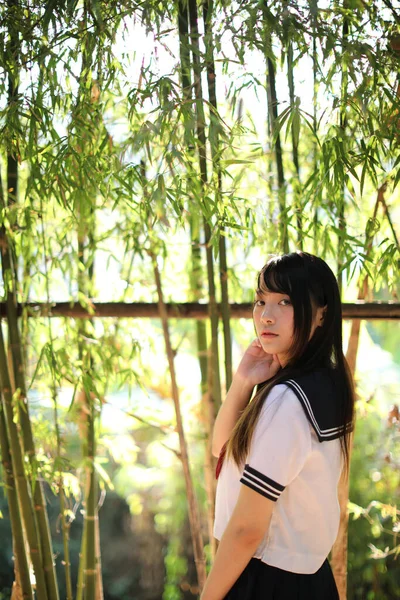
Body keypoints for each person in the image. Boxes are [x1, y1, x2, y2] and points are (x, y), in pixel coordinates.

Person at [199, 251, 355, 600]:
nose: (266, 316)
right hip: (308, 577)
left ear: (321, 314)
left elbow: (246, 531)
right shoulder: (327, 381)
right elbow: (223, 448)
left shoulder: (288, 399)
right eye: (260, 300)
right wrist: (244, 382)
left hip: (266, 578)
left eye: (285, 301)